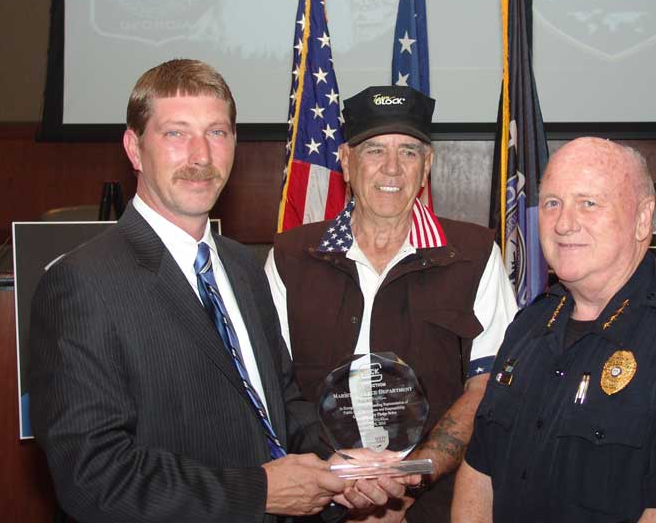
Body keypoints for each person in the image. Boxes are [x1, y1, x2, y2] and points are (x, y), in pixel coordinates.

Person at [30, 59, 409, 523]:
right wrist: (260, 492)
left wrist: (344, 465)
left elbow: (279, 407)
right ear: (134, 148)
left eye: (217, 133)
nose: (201, 157)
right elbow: (92, 478)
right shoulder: (81, 283)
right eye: (176, 134)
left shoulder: (243, 267)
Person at [453, 137, 656, 523]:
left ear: (642, 219)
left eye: (589, 203)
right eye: (553, 203)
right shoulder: (528, 327)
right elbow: (479, 472)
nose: (564, 223)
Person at [266, 85, 518, 522]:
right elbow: (271, 389)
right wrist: (340, 475)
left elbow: (488, 388)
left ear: (428, 166)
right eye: (374, 150)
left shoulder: (474, 254)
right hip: (317, 501)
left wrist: (409, 478)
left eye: (408, 152)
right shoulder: (291, 257)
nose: (392, 168)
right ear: (345, 161)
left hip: (433, 502)